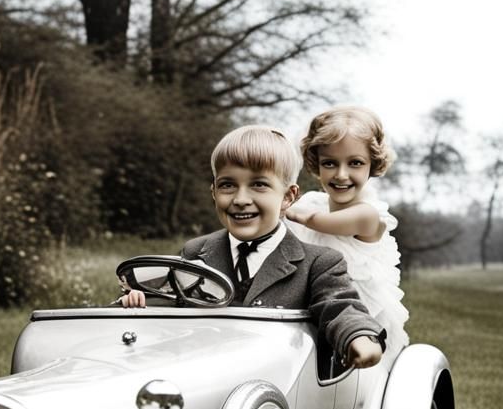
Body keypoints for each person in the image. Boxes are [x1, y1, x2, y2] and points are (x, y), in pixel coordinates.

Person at [121, 125, 385, 370]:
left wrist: (358, 336)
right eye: (227, 185)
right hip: (206, 376)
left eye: (259, 185)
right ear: (214, 192)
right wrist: (142, 304)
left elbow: (339, 308)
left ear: (288, 196)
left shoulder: (319, 263)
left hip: (279, 384)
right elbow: (171, 306)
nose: (240, 199)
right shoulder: (196, 251)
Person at [285, 106, 408, 358]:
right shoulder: (312, 202)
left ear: (372, 164)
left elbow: (319, 221)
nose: (341, 175)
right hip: (317, 305)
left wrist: (283, 208)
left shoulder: (367, 215)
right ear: (317, 163)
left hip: (360, 320)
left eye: (355, 163)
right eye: (329, 163)